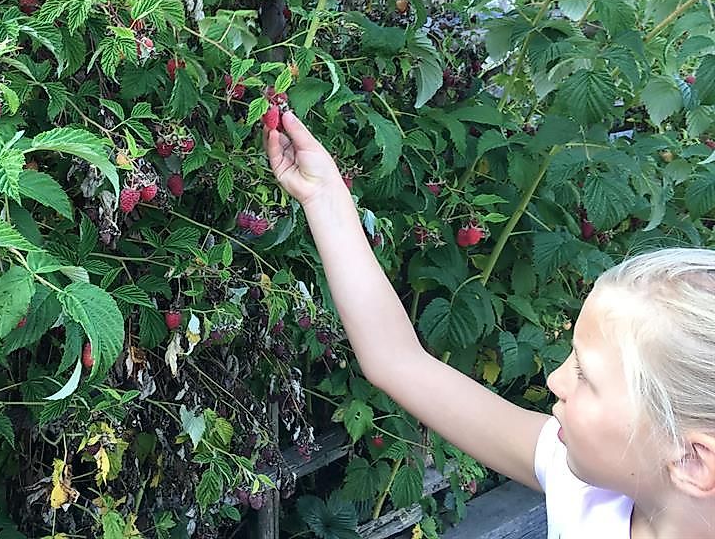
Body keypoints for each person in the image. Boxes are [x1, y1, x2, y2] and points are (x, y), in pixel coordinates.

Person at [264, 108, 715, 539]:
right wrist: (324, 197)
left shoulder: (592, 487)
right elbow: (397, 360)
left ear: (692, 462)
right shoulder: (590, 490)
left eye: (586, 375)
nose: (555, 380)